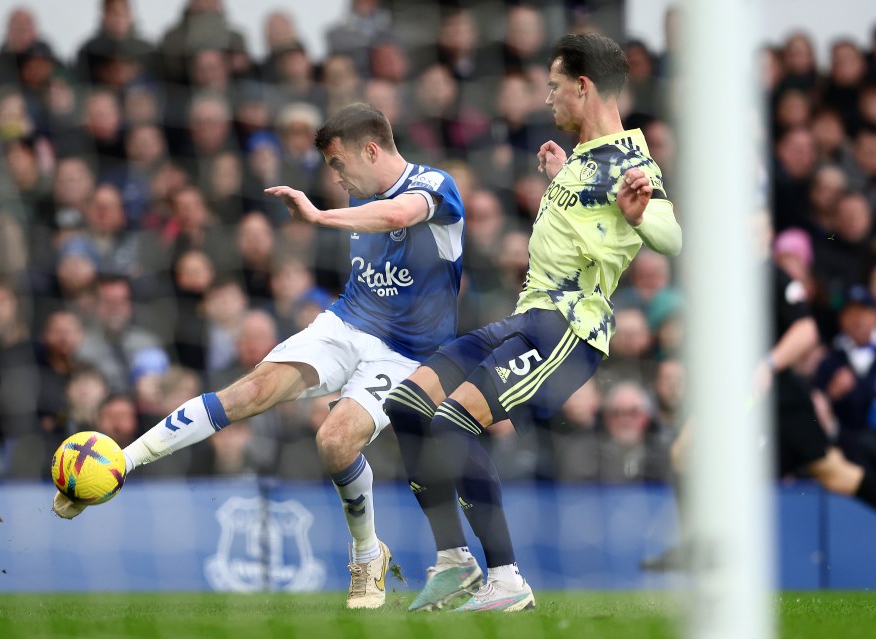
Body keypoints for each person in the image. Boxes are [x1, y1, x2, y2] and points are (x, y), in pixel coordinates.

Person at [52, 103, 466, 610]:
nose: (336, 178)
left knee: (334, 441)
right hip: (348, 321)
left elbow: (400, 215)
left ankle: (366, 553)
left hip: (407, 353)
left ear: (371, 149)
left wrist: (317, 215)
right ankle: (121, 462)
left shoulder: (434, 185)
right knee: (249, 390)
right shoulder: (359, 200)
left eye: (339, 165)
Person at [382, 32, 682, 612]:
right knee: (406, 406)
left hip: (569, 326)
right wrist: (562, 176)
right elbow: (586, 224)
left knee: (452, 422)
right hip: (527, 317)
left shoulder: (630, 162)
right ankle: (453, 561)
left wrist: (642, 217)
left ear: (583, 85)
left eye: (554, 86)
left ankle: (507, 578)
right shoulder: (588, 163)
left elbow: (671, 236)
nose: (548, 98)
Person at [641, 212, 876, 572]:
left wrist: (766, 364)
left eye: (754, 232)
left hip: (777, 396)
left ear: (767, 236)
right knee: (685, 454)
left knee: (835, 474)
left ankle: (702, 548)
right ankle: (700, 547)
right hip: (737, 395)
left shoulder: (771, 275)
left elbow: (807, 332)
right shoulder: (725, 281)